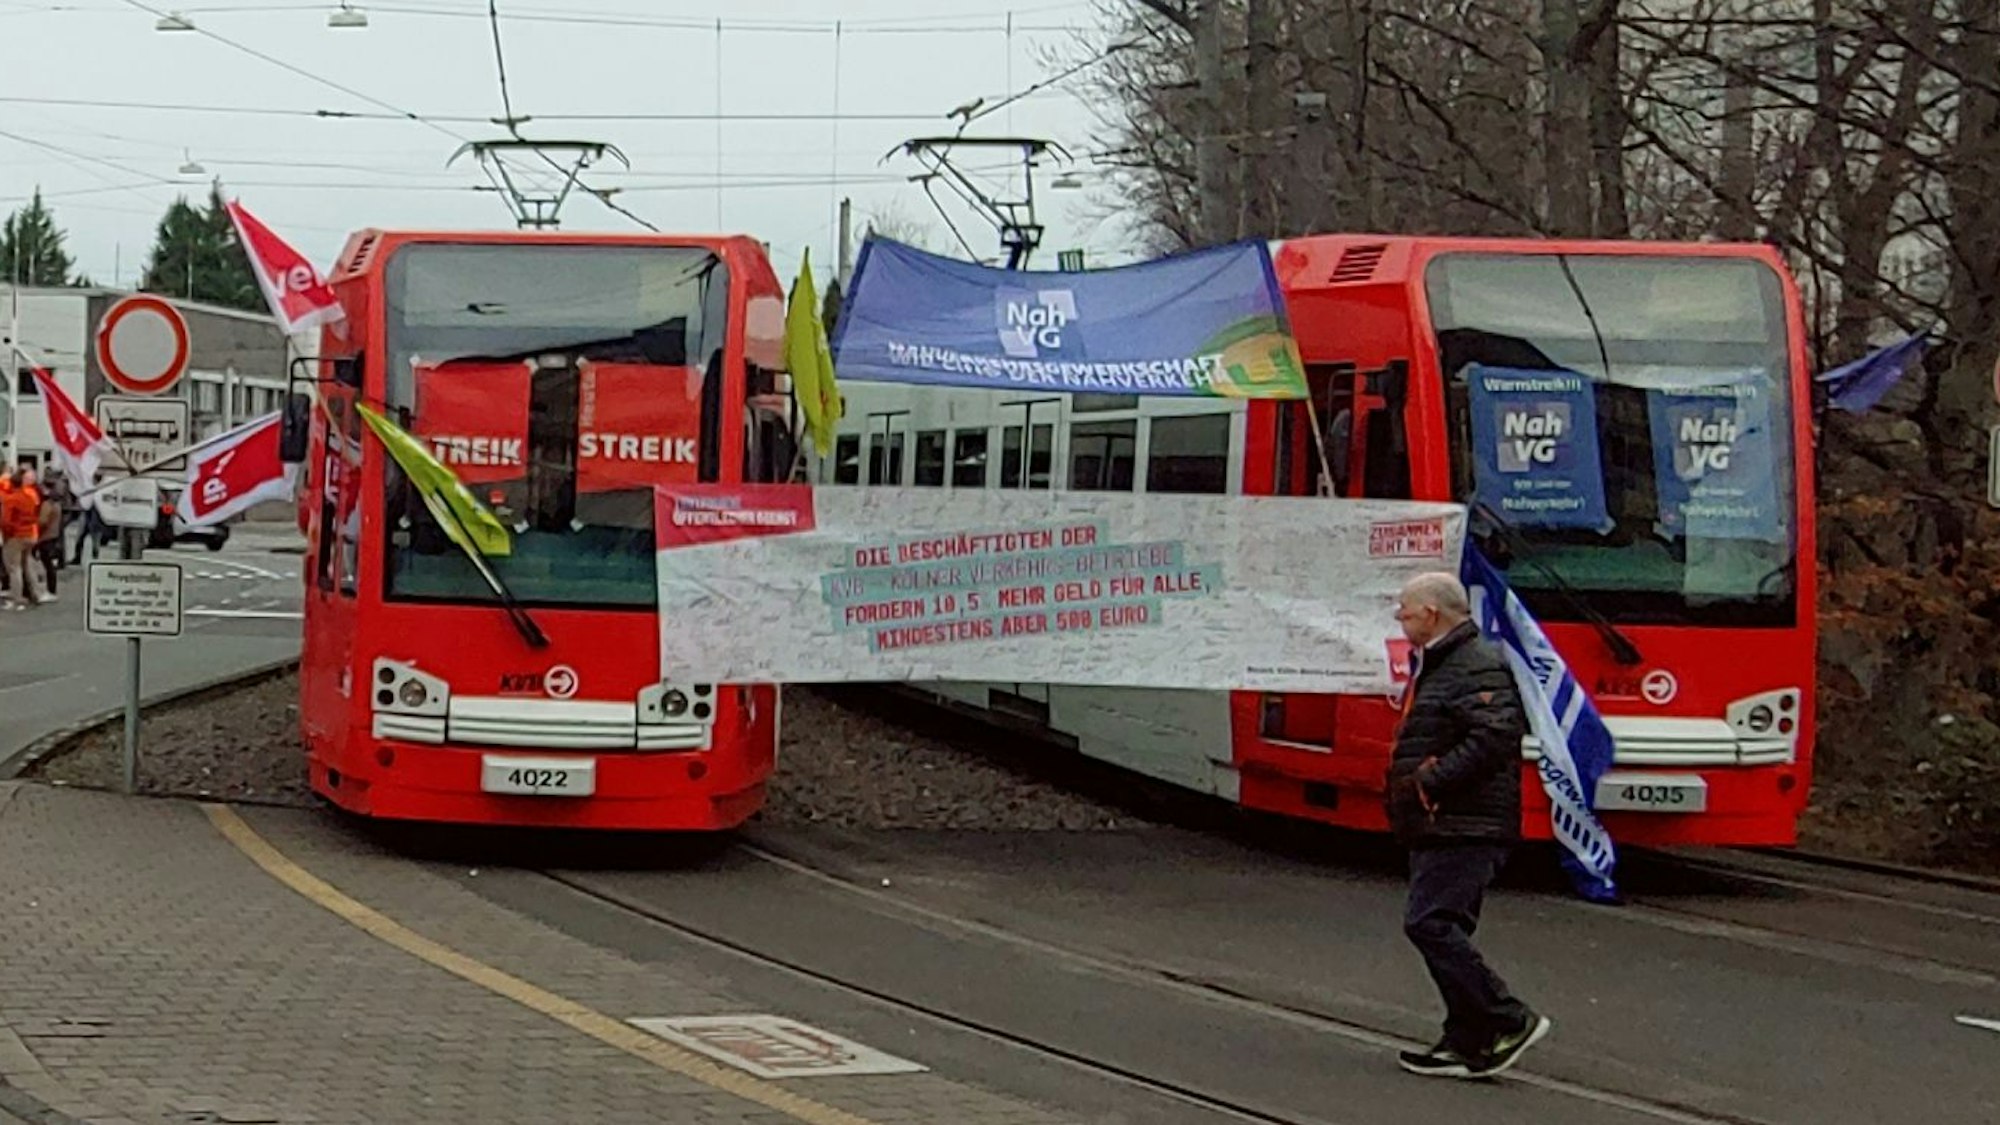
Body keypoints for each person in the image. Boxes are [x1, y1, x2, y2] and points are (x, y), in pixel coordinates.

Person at [1386, 571, 1549, 1079]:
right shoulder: (1447, 663)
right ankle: (1465, 1039)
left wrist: (1430, 783)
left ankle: (1507, 1016)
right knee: (1441, 923)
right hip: (1445, 821)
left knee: (1429, 923)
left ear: (1432, 614)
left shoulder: (1474, 664)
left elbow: (1496, 735)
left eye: (1406, 610)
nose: (1400, 617)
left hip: (1465, 821)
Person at [1, 466, 50, 609]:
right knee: (27, 564)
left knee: (13, 568)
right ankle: (36, 593)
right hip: (30, 534)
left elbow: (5, 521)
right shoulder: (29, 496)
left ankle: (17, 599)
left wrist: (7, 534)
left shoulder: (11, 499)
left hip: (16, 536)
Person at [35, 476, 64, 600]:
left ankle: (49, 590)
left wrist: (36, 531)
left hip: (45, 537)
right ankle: (51, 589)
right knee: (50, 564)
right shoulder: (57, 505)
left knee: (47, 564)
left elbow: (42, 521)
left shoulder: (47, 505)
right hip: (53, 536)